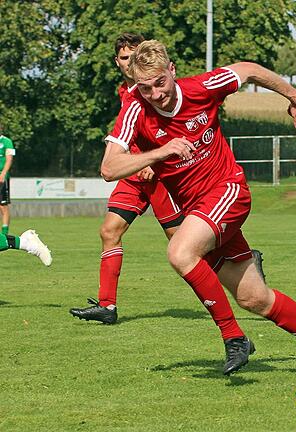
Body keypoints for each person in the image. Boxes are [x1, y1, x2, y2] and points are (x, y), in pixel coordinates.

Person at [99, 40, 296, 375]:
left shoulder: (201, 88)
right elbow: (109, 168)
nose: (156, 94)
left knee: (179, 252)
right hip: (200, 211)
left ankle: (234, 338)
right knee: (253, 298)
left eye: (160, 82)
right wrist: (161, 152)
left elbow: (248, 70)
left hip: (228, 191)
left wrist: (293, 94)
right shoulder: (135, 110)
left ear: (171, 70)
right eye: (145, 88)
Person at [70, 33, 185, 325]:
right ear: (118, 61)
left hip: (159, 176)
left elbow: (174, 129)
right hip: (133, 176)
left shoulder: (157, 89)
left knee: (182, 245)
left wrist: (155, 160)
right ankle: (107, 306)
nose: (129, 62)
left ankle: (241, 258)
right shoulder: (127, 91)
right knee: (109, 231)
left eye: (134, 56)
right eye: (124, 58)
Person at [0, 122, 14, 235]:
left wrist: (3, 173)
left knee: (3, 206)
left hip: (1, 177)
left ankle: (4, 234)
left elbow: (9, 159)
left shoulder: (7, 142)